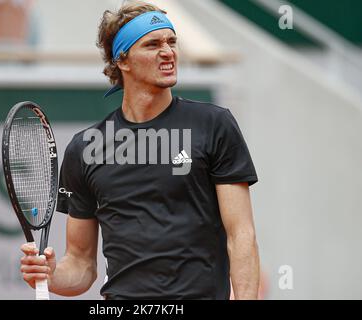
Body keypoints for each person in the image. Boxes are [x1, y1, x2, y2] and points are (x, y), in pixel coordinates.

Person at [20, 1, 260, 300]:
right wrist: (51, 275)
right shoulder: (84, 149)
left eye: (172, 42)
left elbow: (241, 236)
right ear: (123, 61)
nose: (168, 52)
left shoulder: (214, 125)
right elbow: (81, 264)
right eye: (153, 44)